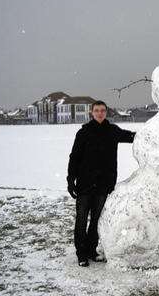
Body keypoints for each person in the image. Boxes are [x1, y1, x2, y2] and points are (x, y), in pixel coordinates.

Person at [67, 100, 136, 267]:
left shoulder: (112, 131)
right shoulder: (83, 132)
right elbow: (74, 157)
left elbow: (132, 137)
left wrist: (154, 132)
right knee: (82, 220)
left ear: (106, 112)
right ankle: (81, 253)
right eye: (97, 110)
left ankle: (91, 250)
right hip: (85, 184)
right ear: (92, 112)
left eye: (103, 110)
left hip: (103, 184)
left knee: (96, 220)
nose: (100, 113)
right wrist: (71, 180)